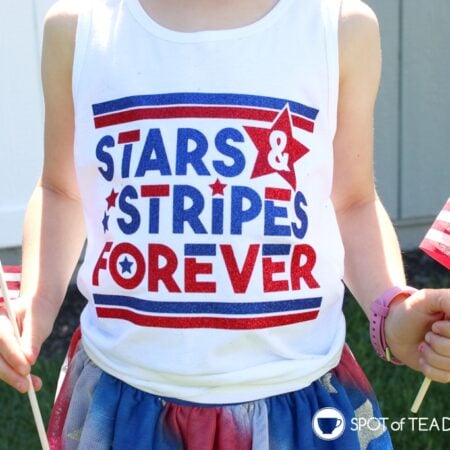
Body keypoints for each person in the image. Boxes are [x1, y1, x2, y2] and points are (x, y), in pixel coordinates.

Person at [1, 0, 449, 448]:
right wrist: (35, 303)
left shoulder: (338, 28)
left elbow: (352, 201)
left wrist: (391, 309)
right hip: (124, 402)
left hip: (296, 401)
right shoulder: (79, 28)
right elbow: (63, 189)